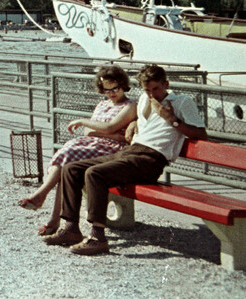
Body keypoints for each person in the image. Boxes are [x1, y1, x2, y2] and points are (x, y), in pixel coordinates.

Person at [43, 64, 207, 255]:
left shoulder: (181, 102)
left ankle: (98, 237)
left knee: (95, 174)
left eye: (156, 88)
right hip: (131, 151)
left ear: (166, 84)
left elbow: (201, 135)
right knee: (71, 169)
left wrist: (173, 120)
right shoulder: (145, 98)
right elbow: (147, 121)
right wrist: (135, 123)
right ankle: (71, 228)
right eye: (147, 89)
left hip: (152, 159)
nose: (152, 93)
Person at [18, 65, 137, 236]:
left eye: (115, 88)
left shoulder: (129, 106)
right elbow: (92, 132)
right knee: (67, 161)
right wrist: (105, 131)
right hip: (94, 144)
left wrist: (85, 122)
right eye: (106, 89)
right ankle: (51, 213)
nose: (111, 93)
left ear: (123, 85)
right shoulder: (103, 104)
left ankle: (43, 198)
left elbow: (111, 126)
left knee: (70, 154)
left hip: (111, 149)